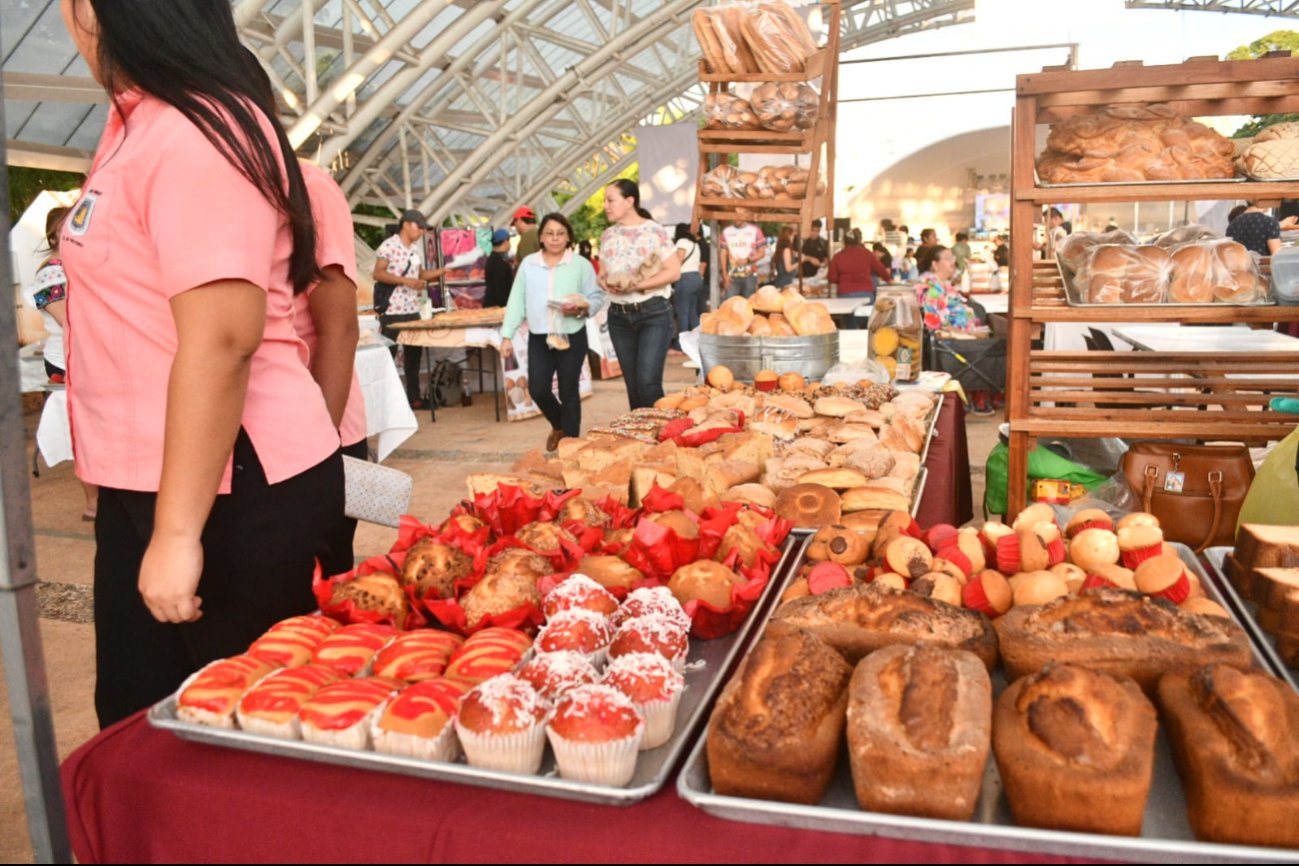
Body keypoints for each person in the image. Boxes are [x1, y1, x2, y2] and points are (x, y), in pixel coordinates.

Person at [59, 0, 345, 728]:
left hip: (226, 488)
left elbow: (223, 339)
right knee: (140, 720)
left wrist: (178, 534)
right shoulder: (137, 122)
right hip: (154, 480)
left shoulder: (197, 127)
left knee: (243, 728)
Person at [297, 161, 368, 578]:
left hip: (322, 432)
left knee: (323, 580)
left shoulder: (308, 187)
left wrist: (319, 449)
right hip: (256, 447)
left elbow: (340, 329)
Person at [500, 213, 604, 452]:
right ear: (541, 237)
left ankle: (571, 447)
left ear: (568, 237)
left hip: (572, 334)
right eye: (549, 233)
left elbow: (597, 298)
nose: (555, 238)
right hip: (540, 336)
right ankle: (559, 425)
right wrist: (507, 335)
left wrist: (581, 308)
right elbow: (517, 300)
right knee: (538, 389)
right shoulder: (529, 264)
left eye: (560, 233)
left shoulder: (580, 265)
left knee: (569, 390)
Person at [26, 206, 100, 522]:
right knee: (85, 433)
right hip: (69, 361)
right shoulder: (51, 271)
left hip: (84, 357)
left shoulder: (75, 266)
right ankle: (93, 502)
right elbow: (69, 322)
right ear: (55, 234)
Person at [599, 179, 681, 410]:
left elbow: (674, 272)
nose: (605, 205)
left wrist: (637, 285)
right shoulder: (608, 235)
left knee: (648, 383)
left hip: (653, 313)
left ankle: (663, 438)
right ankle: (640, 439)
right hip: (618, 317)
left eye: (610, 200)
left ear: (629, 201)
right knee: (633, 386)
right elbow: (603, 271)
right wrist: (604, 281)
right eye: (605, 200)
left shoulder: (654, 231)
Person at [372, 209, 445, 409]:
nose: (422, 231)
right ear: (406, 224)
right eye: (419, 226)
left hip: (412, 309)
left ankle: (414, 398)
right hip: (393, 310)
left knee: (414, 356)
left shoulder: (414, 250)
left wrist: (441, 272)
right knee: (389, 356)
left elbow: (420, 274)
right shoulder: (389, 245)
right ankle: (383, 402)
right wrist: (406, 281)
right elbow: (377, 273)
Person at [915, 244, 993, 414]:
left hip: (961, 336)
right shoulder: (930, 287)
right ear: (934, 264)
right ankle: (979, 395)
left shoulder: (944, 284)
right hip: (949, 340)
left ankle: (980, 393)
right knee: (992, 346)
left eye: (953, 258)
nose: (953, 262)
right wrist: (965, 333)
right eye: (948, 258)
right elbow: (934, 322)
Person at [828, 228, 890, 304]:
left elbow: (832, 277)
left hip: (845, 294)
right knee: (865, 314)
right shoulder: (867, 254)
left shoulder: (838, 256)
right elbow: (881, 270)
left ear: (844, 241)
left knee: (847, 315)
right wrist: (889, 279)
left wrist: (842, 280)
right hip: (865, 293)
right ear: (859, 240)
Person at [671, 223, 704, 348]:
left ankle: (682, 344)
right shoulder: (695, 244)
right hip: (696, 278)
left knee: (682, 312)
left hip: (685, 278)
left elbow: (678, 261)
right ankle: (697, 342)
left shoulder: (682, 242)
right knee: (692, 312)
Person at [719, 220, 765, 299]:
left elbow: (762, 252)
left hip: (750, 275)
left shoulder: (755, 230)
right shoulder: (726, 232)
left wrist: (748, 260)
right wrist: (724, 275)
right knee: (729, 304)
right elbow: (723, 254)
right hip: (732, 276)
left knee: (749, 304)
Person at [484, 228, 514, 308]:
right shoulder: (499, 262)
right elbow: (501, 287)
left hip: (492, 304)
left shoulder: (493, 258)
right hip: (497, 307)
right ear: (505, 242)